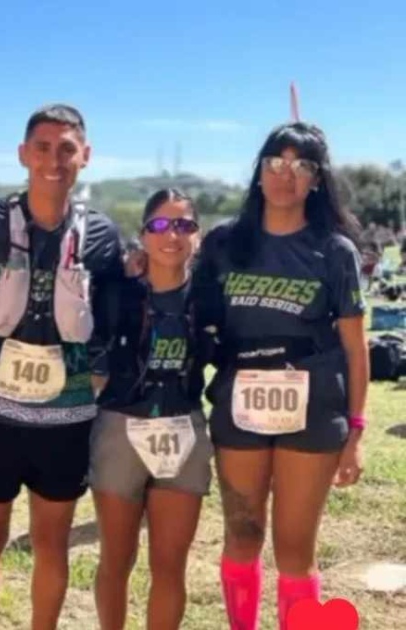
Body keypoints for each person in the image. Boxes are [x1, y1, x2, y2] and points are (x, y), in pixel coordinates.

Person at [192, 122, 368, 630]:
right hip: (238, 402)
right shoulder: (225, 244)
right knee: (242, 535)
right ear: (259, 173)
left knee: (294, 550)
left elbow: (357, 350)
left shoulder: (335, 252)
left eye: (302, 166)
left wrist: (356, 432)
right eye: (276, 163)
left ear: (317, 179)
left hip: (312, 411)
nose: (286, 176)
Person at [0, 104, 123, 630]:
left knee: (52, 543)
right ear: (23, 154)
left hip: (64, 420)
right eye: (44, 147)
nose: (55, 159)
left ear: (86, 156)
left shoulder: (101, 235)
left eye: (67, 148)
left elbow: (114, 317)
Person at [88, 189, 214, 629]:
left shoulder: (210, 295)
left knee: (169, 565)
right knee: (116, 559)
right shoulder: (115, 293)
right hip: (119, 428)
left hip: (184, 429)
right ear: (142, 235)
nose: (172, 235)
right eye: (160, 225)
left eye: (184, 225)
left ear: (198, 236)